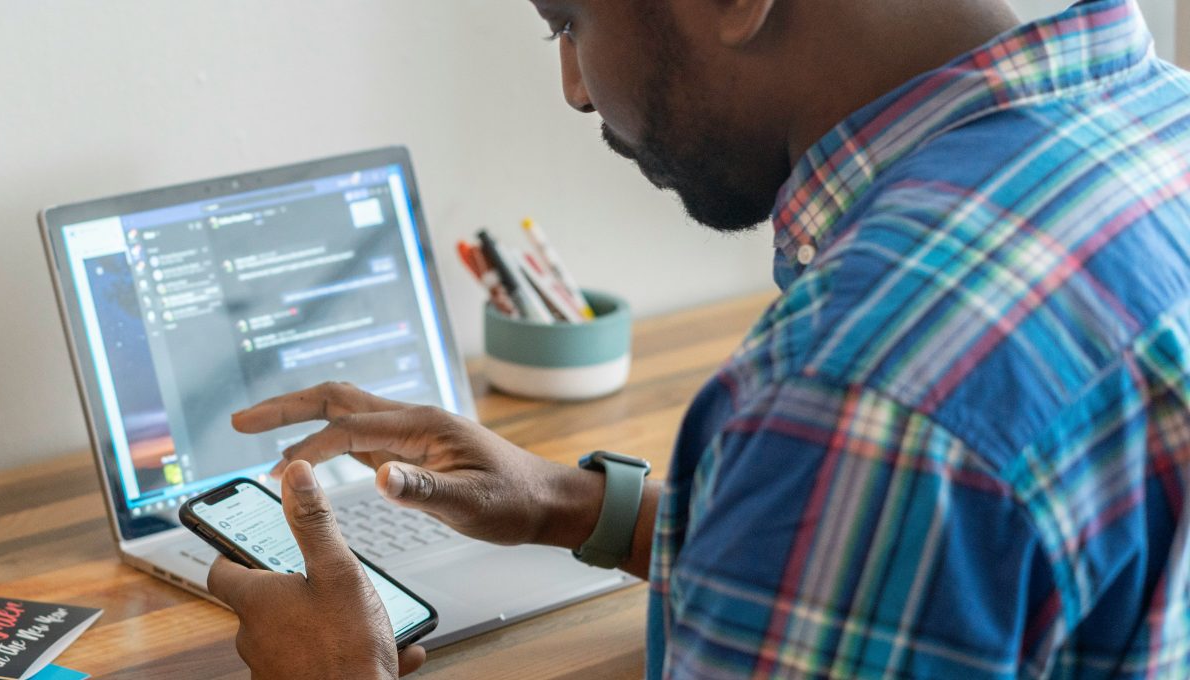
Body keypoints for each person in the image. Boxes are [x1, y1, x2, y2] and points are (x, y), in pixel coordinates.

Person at [206, 0, 1190, 677]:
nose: (576, 91)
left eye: (568, 23)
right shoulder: (1160, 131)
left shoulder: (855, 394)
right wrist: (575, 504)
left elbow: (880, 464)